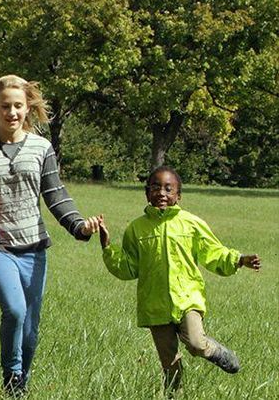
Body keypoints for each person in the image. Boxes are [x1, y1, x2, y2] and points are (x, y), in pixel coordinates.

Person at [0, 74, 100, 395]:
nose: (12, 112)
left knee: (31, 329)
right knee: (14, 310)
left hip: (34, 247)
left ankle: (22, 381)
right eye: (5, 106)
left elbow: (56, 196)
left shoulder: (42, 148)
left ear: (28, 108)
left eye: (18, 106)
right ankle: (11, 379)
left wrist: (79, 227)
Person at [98, 166, 262, 394]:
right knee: (169, 362)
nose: (162, 193)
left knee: (195, 343)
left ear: (178, 195)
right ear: (147, 193)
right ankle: (174, 395)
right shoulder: (136, 229)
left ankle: (217, 352)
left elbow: (214, 253)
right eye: (155, 187)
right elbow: (128, 268)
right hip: (154, 304)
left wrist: (239, 259)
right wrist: (107, 246)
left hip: (187, 299)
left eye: (168, 188)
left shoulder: (191, 223)